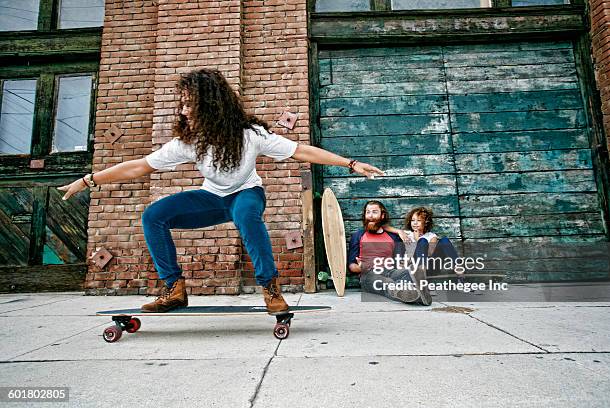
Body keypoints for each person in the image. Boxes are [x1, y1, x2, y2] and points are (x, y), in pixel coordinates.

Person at [58, 68, 383, 314]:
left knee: (244, 214)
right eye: (182, 104)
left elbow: (302, 151)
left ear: (209, 105)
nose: (183, 111)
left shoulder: (250, 134)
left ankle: (270, 288)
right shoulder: (189, 142)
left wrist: (350, 163)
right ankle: (174, 288)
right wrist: (88, 180)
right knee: (154, 215)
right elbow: (139, 166)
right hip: (212, 198)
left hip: (247, 194)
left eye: (188, 104)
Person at [348, 201, 432, 305]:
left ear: (382, 216)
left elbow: (399, 261)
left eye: (374, 212)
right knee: (387, 283)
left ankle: (415, 291)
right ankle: (408, 294)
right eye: (367, 212)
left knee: (410, 271)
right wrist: (361, 267)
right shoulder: (358, 235)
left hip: (390, 270)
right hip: (368, 274)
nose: (370, 216)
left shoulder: (393, 237)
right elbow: (351, 266)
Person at [389, 207, 462, 279]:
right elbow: (384, 227)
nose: (415, 223)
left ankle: (459, 269)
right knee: (422, 241)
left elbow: (430, 254)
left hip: (429, 267)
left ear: (426, 222)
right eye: (413, 220)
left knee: (444, 240)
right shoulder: (407, 234)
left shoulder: (432, 236)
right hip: (412, 266)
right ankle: (420, 274)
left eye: (419, 220)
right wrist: (399, 231)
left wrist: (418, 239)